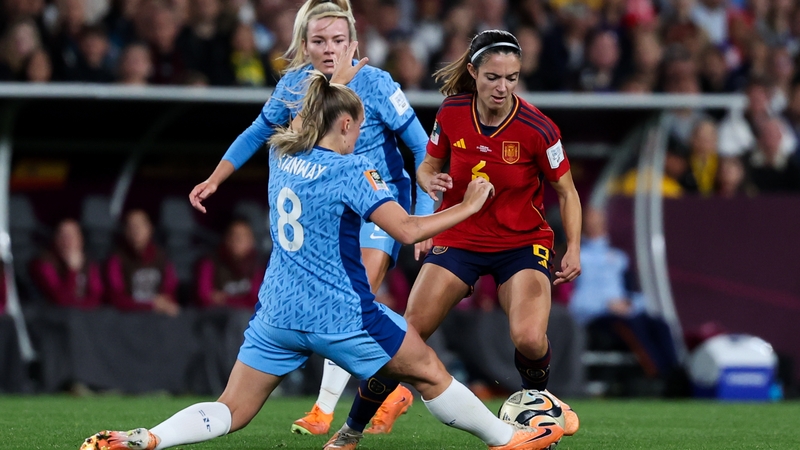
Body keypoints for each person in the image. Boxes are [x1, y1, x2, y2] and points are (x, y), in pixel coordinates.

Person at [80, 69, 563, 450]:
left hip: (277, 313)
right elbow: (408, 230)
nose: (360, 135)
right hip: (341, 314)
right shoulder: (352, 169)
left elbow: (286, 122)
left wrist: (329, 85)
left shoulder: (280, 156)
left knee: (232, 408)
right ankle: (509, 439)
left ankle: (151, 438)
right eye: (359, 126)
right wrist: (469, 206)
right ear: (346, 124)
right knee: (429, 371)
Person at [188, 0, 435, 436]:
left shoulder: (376, 83)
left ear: (353, 43)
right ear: (304, 45)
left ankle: (325, 408)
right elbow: (258, 132)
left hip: (380, 206)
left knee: (354, 299)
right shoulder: (294, 85)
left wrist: (422, 213)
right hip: (330, 212)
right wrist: (215, 177)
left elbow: (421, 147)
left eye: (338, 40)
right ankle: (388, 386)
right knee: (344, 307)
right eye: (319, 40)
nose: (329, 49)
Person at [329, 29, 583, 449]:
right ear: (473, 72)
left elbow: (567, 192)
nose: (502, 87)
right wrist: (431, 181)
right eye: (493, 77)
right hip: (460, 237)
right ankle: (350, 431)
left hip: (521, 243)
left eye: (512, 78)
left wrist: (572, 247)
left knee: (529, 338)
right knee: (405, 336)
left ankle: (539, 407)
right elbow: (427, 166)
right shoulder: (451, 112)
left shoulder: (539, 128)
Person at [568, 207, 679, 380]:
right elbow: (574, 301)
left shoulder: (619, 258)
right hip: (597, 317)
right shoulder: (576, 258)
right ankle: (658, 375)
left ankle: (675, 371)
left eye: (599, 222)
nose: (595, 226)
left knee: (659, 324)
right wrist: (607, 305)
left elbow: (633, 293)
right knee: (630, 326)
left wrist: (630, 304)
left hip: (624, 312)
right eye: (591, 222)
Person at [105, 209, 180, 316]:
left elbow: (170, 291)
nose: (136, 230)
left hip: (157, 317)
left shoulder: (162, 257)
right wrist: (150, 305)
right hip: (127, 318)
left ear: (150, 229)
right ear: (126, 232)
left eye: (140, 225)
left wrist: (165, 303)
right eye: (131, 226)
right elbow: (116, 298)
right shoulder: (117, 259)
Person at [30, 218, 104, 309]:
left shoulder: (90, 262)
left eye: (72, 235)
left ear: (81, 239)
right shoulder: (43, 264)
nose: (68, 240)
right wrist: (72, 270)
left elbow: (97, 297)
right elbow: (61, 300)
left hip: (87, 314)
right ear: (55, 239)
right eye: (63, 235)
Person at [194, 218, 265, 310]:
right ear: (226, 238)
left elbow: (259, 299)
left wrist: (225, 299)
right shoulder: (210, 263)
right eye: (234, 235)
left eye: (243, 236)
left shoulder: (259, 266)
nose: (238, 240)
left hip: (248, 314)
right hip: (215, 314)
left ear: (251, 241)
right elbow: (203, 296)